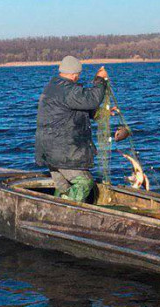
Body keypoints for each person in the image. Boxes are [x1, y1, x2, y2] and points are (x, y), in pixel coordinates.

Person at [35, 55, 109, 202]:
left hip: (49, 151)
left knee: (65, 188)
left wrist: (102, 113)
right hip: (64, 152)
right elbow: (92, 99)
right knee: (85, 183)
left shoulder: (52, 87)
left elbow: (73, 110)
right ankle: (61, 211)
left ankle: (55, 210)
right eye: (78, 74)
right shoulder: (68, 90)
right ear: (75, 74)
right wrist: (100, 81)